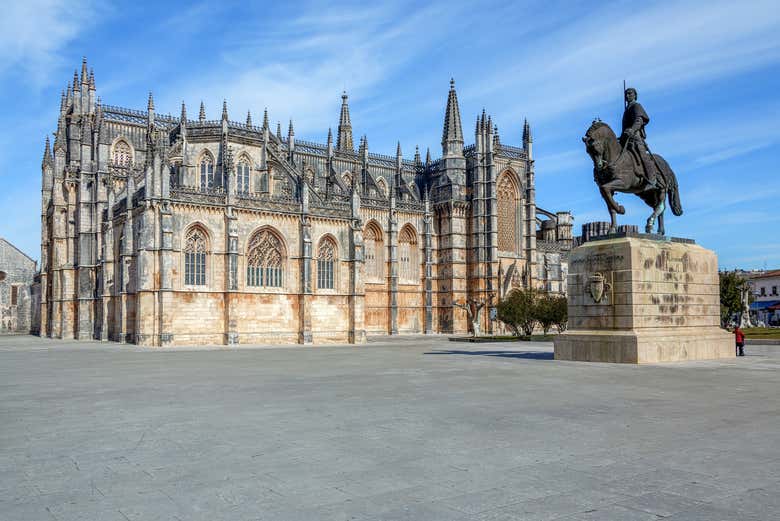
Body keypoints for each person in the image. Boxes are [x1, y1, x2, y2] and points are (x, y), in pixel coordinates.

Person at [620, 87, 658, 188]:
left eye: (630, 93)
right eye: (626, 94)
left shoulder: (636, 106)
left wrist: (632, 130)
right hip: (626, 139)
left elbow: (639, 120)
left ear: (635, 96)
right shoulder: (626, 111)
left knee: (642, 156)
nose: (627, 96)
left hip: (635, 137)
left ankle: (651, 179)